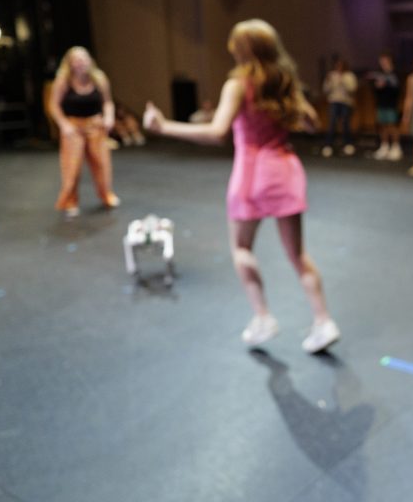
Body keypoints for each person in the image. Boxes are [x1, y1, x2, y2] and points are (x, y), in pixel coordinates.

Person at [143, 19, 340, 354]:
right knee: (298, 255)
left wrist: (164, 127)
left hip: (252, 174)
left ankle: (262, 317)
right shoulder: (284, 82)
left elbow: (218, 132)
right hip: (286, 170)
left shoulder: (239, 83)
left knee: (241, 248)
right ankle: (323, 321)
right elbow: (312, 123)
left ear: (242, 49)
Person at [48, 46, 121, 218]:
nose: (81, 63)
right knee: (72, 166)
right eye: (77, 60)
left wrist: (109, 116)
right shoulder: (63, 81)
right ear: (70, 64)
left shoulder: (99, 78)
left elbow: (108, 102)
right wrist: (63, 124)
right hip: (73, 126)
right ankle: (70, 200)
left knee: (101, 163)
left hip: (95, 125)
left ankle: (106, 195)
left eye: (84, 58)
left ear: (89, 60)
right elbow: (53, 105)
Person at [367, 52, 402, 161]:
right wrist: (377, 86)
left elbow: (398, 89)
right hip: (381, 103)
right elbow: (374, 88)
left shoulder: (395, 73)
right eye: (382, 61)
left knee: (392, 125)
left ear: (390, 61)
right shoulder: (378, 74)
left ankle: (396, 147)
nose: (383, 63)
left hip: (391, 104)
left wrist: (386, 84)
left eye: (385, 61)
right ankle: (384, 146)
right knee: (382, 125)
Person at [321, 57, 358, 157]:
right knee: (332, 122)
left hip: (346, 102)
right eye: (337, 65)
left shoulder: (349, 76)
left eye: (341, 65)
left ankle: (348, 144)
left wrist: (343, 80)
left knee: (346, 123)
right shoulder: (331, 75)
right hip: (334, 101)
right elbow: (325, 90)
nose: (338, 67)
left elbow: (352, 89)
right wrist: (328, 81)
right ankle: (328, 145)